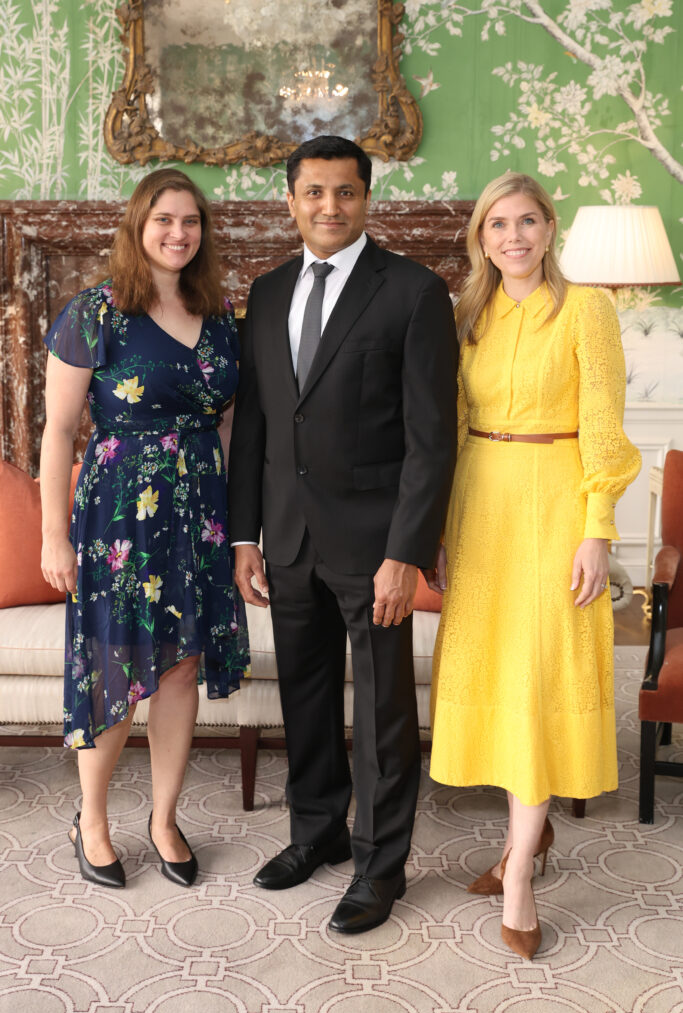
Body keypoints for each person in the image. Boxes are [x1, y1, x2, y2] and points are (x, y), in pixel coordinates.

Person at [228, 135, 458, 933]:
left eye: (345, 192)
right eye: (314, 192)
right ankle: (316, 833)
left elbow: (432, 440)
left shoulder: (414, 291)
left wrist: (405, 553)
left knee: (385, 714)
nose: (330, 206)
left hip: (374, 546)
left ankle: (378, 866)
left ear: (367, 198)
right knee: (306, 695)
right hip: (287, 539)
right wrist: (245, 536)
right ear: (290, 200)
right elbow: (256, 424)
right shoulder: (266, 292)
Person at [428, 172, 641, 959]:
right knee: (495, 673)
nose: (512, 237)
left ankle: (517, 871)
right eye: (497, 225)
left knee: (541, 676)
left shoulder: (585, 308)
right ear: (480, 239)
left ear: (549, 228)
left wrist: (596, 530)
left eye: (526, 221)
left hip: (556, 505)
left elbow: (604, 427)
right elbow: (450, 426)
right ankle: (530, 833)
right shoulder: (464, 315)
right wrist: (438, 529)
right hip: (479, 504)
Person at [40, 168, 249, 889]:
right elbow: (58, 431)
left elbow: (227, 426)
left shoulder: (219, 314)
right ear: (138, 225)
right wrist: (54, 536)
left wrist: (237, 527)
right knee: (116, 660)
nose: (177, 233)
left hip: (199, 513)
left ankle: (164, 819)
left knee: (181, 664)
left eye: (190, 221)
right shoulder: (94, 312)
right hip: (118, 516)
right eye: (164, 219)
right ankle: (93, 820)